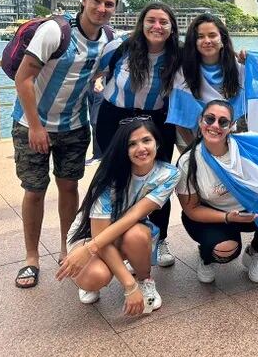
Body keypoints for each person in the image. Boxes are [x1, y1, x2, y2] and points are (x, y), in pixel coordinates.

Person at [12, 0, 118, 288]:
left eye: (109, 4)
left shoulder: (109, 38)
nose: (101, 8)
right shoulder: (55, 32)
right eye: (96, 1)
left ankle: (65, 249)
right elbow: (23, 77)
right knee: (35, 190)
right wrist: (35, 125)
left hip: (74, 125)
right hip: (32, 124)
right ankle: (31, 258)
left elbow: (102, 71)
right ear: (83, 1)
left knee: (69, 187)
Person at [56, 118, 180, 311]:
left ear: (157, 142)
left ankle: (144, 280)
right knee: (96, 276)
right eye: (132, 144)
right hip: (90, 234)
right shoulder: (109, 177)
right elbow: (99, 235)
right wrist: (128, 286)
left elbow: (134, 215)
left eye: (146, 140)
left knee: (137, 235)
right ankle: (102, 277)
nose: (141, 148)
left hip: (126, 229)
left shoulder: (168, 174)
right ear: (123, 149)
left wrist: (90, 250)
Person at [96, 2, 180, 267]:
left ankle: (160, 238)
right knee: (116, 179)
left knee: (158, 180)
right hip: (115, 119)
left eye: (163, 22)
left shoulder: (179, 55)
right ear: (142, 23)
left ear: (171, 28)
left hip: (156, 121)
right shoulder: (119, 47)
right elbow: (92, 73)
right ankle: (114, 240)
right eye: (151, 20)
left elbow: (213, 62)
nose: (157, 26)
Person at [177, 100, 258, 284]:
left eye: (223, 122)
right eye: (209, 119)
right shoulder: (188, 162)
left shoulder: (249, 145)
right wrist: (228, 217)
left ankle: (255, 252)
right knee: (225, 250)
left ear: (231, 126)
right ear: (200, 121)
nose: (215, 126)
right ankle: (207, 257)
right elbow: (192, 210)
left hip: (250, 210)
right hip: (212, 215)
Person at [168, 13, 246, 144]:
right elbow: (180, 120)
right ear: (194, 42)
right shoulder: (183, 71)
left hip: (228, 140)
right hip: (191, 139)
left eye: (212, 35)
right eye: (200, 37)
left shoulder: (239, 68)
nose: (207, 41)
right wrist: (196, 151)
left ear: (223, 39)